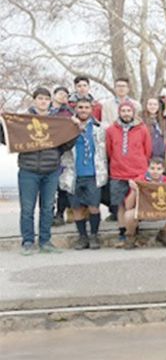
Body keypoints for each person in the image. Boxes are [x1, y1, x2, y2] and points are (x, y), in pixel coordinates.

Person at [0, 87, 78, 254]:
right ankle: (28, 242)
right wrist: (2, 123)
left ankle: (45, 241)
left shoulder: (56, 122)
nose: (43, 101)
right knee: (27, 209)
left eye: (46, 99)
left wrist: (74, 130)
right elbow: (7, 139)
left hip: (51, 170)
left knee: (48, 207)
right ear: (34, 100)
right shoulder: (22, 120)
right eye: (40, 98)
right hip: (28, 170)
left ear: (50, 101)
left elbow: (65, 145)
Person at [59, 98, 108, 250]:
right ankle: (82, 237)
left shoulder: (99, 128)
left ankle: (94, 235)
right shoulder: (68, 128)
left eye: (87, 107)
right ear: (76, 109)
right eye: (81, 107)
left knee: (94, 206)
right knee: (77, 208)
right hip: (73, 173)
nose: (83, 110)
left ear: (91, 109)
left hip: (93, 174)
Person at [106, 100, 152, 246]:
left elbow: (147, 150)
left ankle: (134, 231)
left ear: (133, 112)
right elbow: (109, 150)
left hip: (137, 172)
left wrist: (141, 166)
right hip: (118, 172)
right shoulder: (111, 130)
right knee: (120, 204)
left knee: (134, 204)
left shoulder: (142, 128)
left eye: (129, 111)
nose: (126, 114)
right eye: (123, 111)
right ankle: (122, 232)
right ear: (119, 112)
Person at [122, 158, 166, 249]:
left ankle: (164, 233)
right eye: (152, 168)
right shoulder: (140, 180)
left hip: (161, 210)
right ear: (148, 168)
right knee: (128, 215)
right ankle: (131, 236)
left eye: (159, 169)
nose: (155, 171)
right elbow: (128, 206)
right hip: (143, 210)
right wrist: (135, 191)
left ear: (163, 170)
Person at [51, 86, 74, 227]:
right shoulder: (44, 111)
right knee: (49, 187)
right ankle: (48, 214)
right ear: (54, 95)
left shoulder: (69, 112)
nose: (62, 97)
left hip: (65, 152)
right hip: (47, 151)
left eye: (65, 95)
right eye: (60, 94)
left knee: (63, 186)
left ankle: (60, 213)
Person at [142, 97, 166, 165]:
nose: (152, 106)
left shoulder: (162, 120)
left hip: (160, 154)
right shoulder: (141, 120)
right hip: (146, 154)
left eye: (155, 105)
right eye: (150, 104)